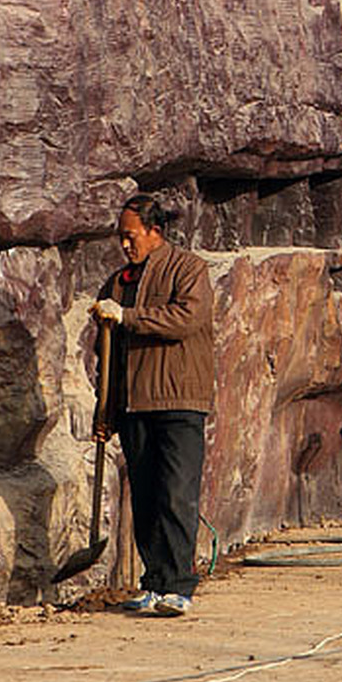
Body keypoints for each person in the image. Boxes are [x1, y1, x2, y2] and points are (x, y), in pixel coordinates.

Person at [93, 194, 216, 617]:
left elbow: (186, 319)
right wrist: (104, 411)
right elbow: (105, 352)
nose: (125, 246)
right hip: (133, 404)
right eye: (121, 239)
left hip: (180, 398)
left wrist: (127, 318)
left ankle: (180, 585)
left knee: (176, 493)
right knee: (144, 497)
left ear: (154, 231)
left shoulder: (189, 269)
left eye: (131, 237)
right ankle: (154, 581)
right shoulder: (118, 282)